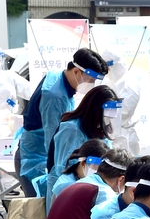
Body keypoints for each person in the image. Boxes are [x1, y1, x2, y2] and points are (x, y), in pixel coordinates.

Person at [19, 48, 109, 196]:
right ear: (76, 72)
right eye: (90, 80)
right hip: (37, 158)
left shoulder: (60, 79)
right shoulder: (55, 96)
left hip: (42, 154)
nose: (92, 84)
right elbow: (54, 142)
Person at [46, 85, 119, 211]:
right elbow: (63, 165)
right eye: (106, 116)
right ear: (96, 110)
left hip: (92, 190)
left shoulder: (100, 129)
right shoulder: (71, 129)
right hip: (68, 191)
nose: (108, 122)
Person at [101, 49, 145, 155]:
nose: (107, 71)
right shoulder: (110, 81)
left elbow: (123, 112)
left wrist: (102, 111)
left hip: (125, 136)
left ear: (116, 65)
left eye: (108, 67)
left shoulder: (129, 84)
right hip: (113, 134)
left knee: (126, 167)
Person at [47, 139, 108, 207]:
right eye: (95, 168)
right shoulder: (66, 185)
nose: (98, 173)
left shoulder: (86, 181)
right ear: (83, 163)